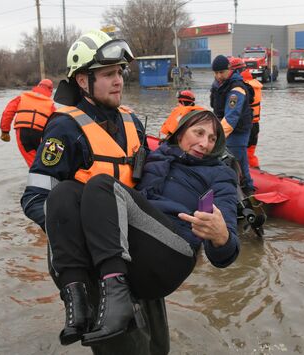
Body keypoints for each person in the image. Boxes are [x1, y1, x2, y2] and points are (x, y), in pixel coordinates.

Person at [20, 30, 169, 353]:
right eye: (107, 74)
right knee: (123, 346)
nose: (118, 81)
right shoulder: (64, 128)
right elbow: (35, 199)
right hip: (95, 260)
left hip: (135, 252)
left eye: (119, 73)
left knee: (158, 345)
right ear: (83, 82)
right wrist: (82, 236)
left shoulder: (132, 122)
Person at [45, 109, 239, 346]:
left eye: (212, 139)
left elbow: (226, 254)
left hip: (175, 253)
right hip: (138, 249)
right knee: (63, 193)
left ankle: (118, 298)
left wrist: (222, 237)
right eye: (199, 133)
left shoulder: (221, 175)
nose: (205, 143)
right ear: (179, 134)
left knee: (102, 186)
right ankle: (77, 301)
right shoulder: (154, 157)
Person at [209, 55, 255, 195]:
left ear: (229, 70)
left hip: (238, 131)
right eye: (216, 73)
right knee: (226, 160)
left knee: (239, 162)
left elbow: (231, 117)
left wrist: (216, 136)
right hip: (224, 128)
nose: (218, 76)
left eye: (221, 72)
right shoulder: (218, 86)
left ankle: (247, 191)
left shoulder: (237, 89)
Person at [0, 79, 56, 167]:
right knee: (45, 162)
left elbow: (8, 112)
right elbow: (56, 124)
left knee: (33, 163)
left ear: (38, 86)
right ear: (51, 91)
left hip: (23, 133)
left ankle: (37, 177)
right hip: (40, 135)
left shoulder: (23, 96)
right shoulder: (50, 104)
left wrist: (5, 131)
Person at [229, 57, 263, 168]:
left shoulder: (240, 87)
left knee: (240, 153)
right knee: (250, 152)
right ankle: (256, 171)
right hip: (255, 125)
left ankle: (247, 175)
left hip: (244, 126)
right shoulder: (255, 85)